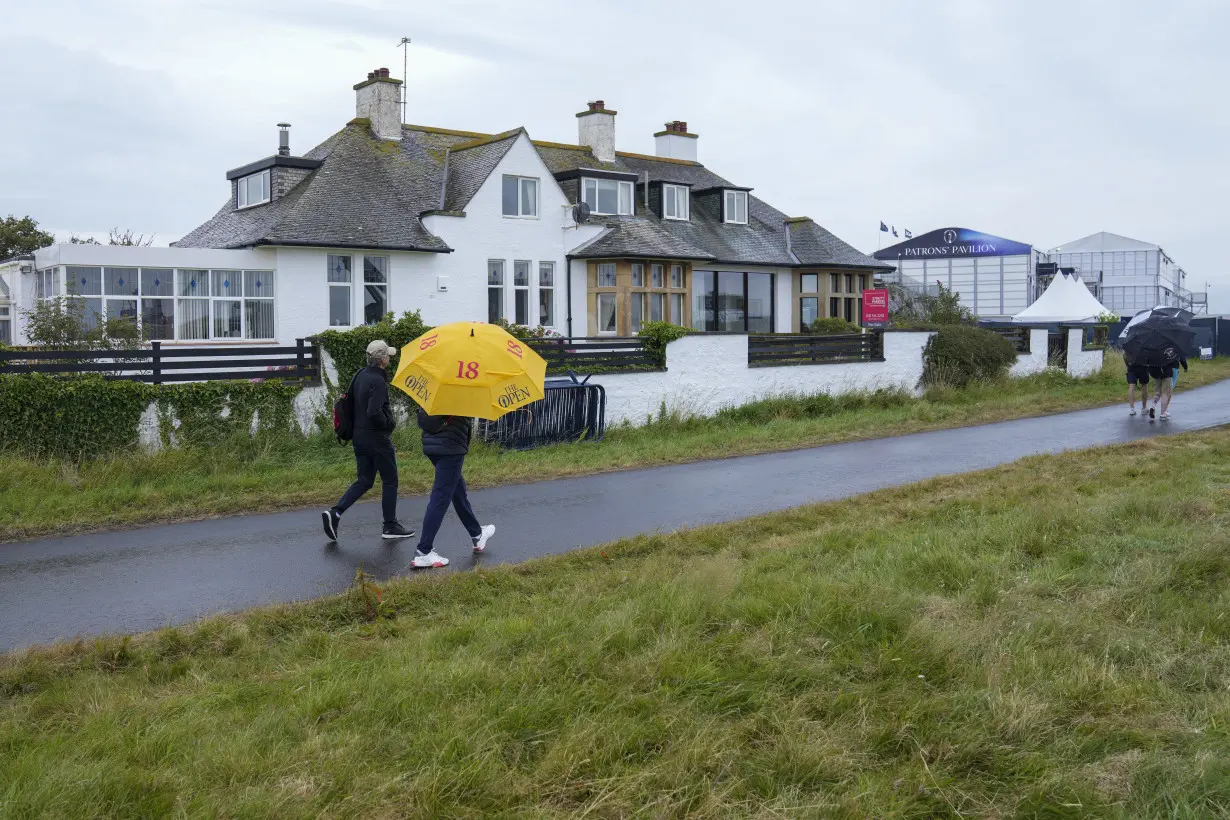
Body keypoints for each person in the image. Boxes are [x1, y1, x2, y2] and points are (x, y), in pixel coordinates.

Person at [321, 340, 416, 541]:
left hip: (359, 437)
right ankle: (390, 526)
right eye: (388, 356)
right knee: (390, 480)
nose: (389, 358)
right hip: (377, 438)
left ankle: (335, 513)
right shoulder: (378, 381)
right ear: (382, 359)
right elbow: (374, 412)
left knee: (365, 480)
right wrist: (389, 423)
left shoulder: (359, 375)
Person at [408, 408, 495, 569]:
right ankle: (423, 552)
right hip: (451, 446)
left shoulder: (439, 387)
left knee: (457, 490)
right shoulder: (459, 389)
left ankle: (476, 534)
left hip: (432, 444)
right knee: (441, 497)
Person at [1150, 350, 1188, 421]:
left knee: (1157, 392)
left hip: (1156, 371)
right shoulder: (1171, 344)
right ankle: (1163, 412)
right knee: (1167, 393)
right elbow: (1181, 357)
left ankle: (1153, 406)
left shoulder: (1154, 347)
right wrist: (1185, 366)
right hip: (1169, 370)